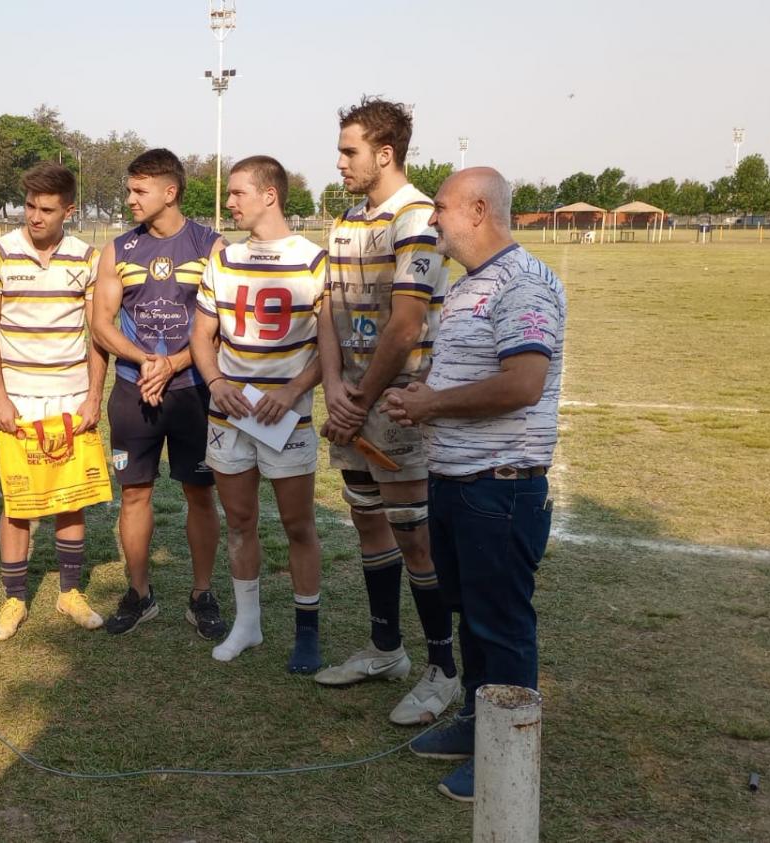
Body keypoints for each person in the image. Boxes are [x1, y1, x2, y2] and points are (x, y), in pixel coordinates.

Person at [384, 167, 566, 802]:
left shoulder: (525, 282)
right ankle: (475, 722)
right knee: (471, 615)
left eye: (440, 207)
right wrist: (421, 397)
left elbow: (523, 385)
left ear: (478, 209)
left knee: (502, 624)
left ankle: (507, 755)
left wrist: (432, 406)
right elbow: (462, 378)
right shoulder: (467, 288)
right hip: (456, 480)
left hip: (501, 486)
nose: (433, 219)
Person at [313, 97, 461, 725]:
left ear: (384, 154)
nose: (340, 161)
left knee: (414, 535)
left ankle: (443, 670)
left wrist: (360, 400)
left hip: (397, 405)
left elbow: (404, 326)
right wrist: (332, 387)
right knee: (368, 523)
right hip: (350, 400)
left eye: (349, 151)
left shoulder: (418, 218)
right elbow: (325, 311)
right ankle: (385, 649)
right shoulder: (347, 220)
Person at [189, 155, 327, 673]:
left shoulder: (314, 261)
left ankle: (306, 632)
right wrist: (218, 382)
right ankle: (248, 624)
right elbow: (202, 336)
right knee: (240, 521)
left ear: (270, 195)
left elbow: (328, 346)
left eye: (238, 192)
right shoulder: (223, 261)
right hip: (229, 418)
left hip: (286, 419)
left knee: (298, 524)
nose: (229, 203)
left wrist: (292, 390)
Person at [89, 149, 226, 638]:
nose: (129, 199)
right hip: (133, 390)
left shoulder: (212, 246)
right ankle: (139, 592)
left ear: (170, 192)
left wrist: (173, 364)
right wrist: (146, 361)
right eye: (129, 189)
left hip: (193, 393)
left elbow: (222, 325)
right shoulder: (117, 250)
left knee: (200, 495)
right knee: (134, 496)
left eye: (139, 190)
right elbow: (100, 323)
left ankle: (202, 593)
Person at [0, 162, 106, 641]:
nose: (34, 216)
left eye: (46, 209)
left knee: (72, 499)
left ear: (69, 210)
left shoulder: (87, 258)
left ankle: (69, 592)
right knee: (18, 501)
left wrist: (94, 396)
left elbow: (97, 334)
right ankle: (14, 599)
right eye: (29, 205)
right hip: (19, 400)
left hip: (71, 396)